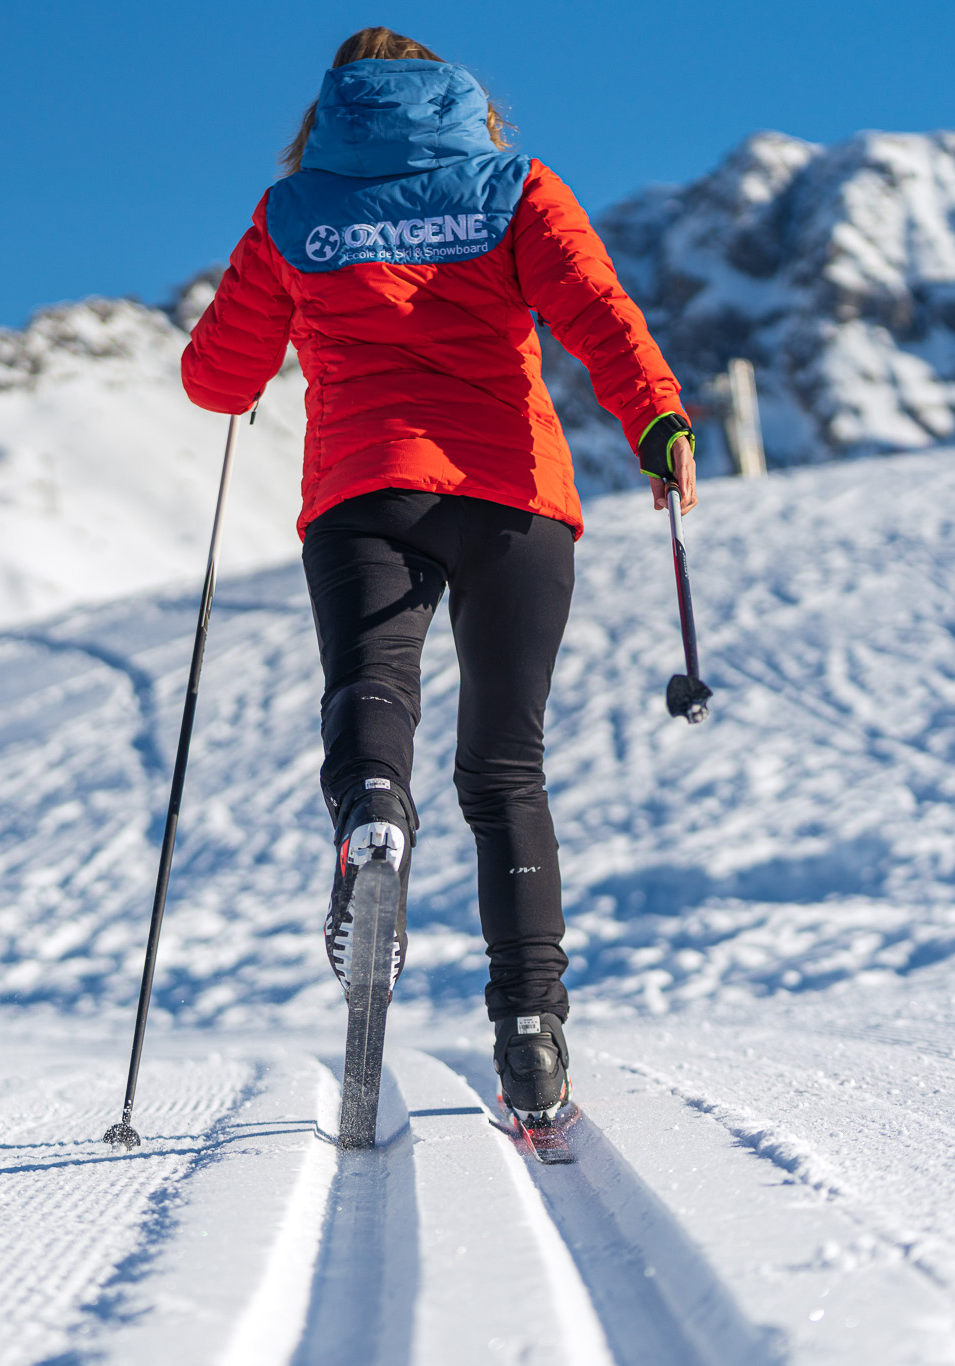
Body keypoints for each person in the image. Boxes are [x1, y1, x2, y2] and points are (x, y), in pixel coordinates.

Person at [181, 26, 695, 1122]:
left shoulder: (294, 214)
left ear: (331, 112)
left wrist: (275, 328)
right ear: (457, 100)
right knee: (504, 768)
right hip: (513, 500)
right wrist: (655, 417)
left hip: (365, 491)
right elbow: (596, 313)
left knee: (372, 684)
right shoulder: (514, 188)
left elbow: (217, 376)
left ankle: (372, 816)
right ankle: (529, 1031)